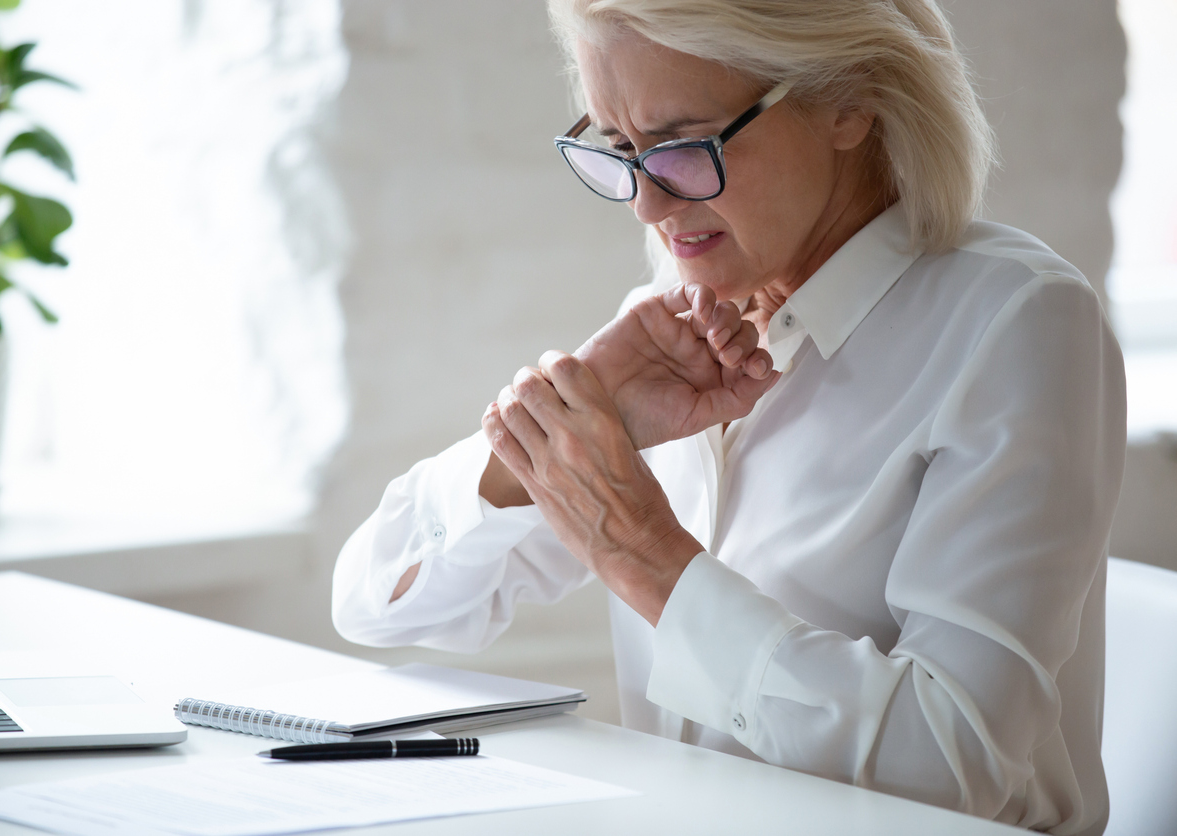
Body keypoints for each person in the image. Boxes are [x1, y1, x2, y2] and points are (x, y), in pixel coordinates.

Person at [332, 1, 1125, 833]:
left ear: (849, 99)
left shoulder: (1014, 324)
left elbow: (951, 769)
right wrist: (548, 440)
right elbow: (376, 603)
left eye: (681, 144)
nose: (646, 203)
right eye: (622, 150)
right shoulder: (674, 327)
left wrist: (642, 554)